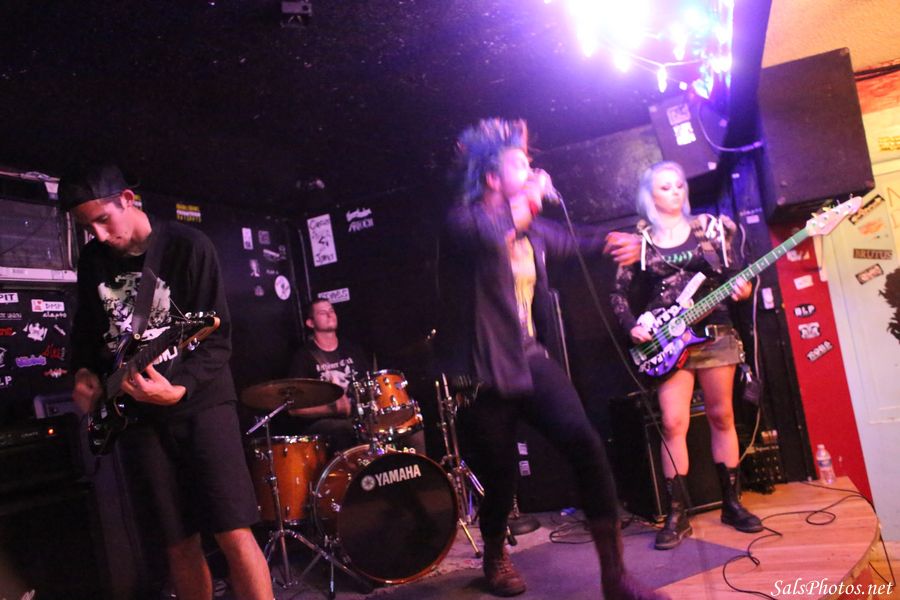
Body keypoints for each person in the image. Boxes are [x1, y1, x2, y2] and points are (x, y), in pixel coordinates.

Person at [441, 118, 665, 599]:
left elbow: (577, 239)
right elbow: (492, 233)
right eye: (520, 164)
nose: (533, 171)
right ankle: (495, 553)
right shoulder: (463, 222)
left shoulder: (533, 231)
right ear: (492, 178)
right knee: (500, 476)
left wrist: (620, 241)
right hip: (483, 371)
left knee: (587, 446)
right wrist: (528, 199)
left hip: (527, 357)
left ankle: (616, 577)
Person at [62, 164, 273, 600]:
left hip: (202, 407)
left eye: (103, 220)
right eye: (87, 227)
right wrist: (83, 372)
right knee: (177, 542)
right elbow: (86, 331)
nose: (98, 235)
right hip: (137, 417)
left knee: (233, 532)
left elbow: (218, 340)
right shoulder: (93, 260)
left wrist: (178, 389)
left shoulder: (187, 246)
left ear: (127, 199)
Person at [610, 160, 763, 551]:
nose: (675, 192)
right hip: (668, 339)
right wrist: (632, 326)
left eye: (679, 185)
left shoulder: (709, 228)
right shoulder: (640, 240)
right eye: (665, 187)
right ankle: (677, 514)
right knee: (673, 421)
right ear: (650, 194)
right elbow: (617, 293)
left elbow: (736, 274)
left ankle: (732, 503)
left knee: (722, 415)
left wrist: (743, 289)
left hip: (714, 330)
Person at [282, 297, 426, 454]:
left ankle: (416, 469)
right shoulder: (304, 357)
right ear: (310, 323)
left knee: (411, 426)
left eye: (331, 310)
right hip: (329, 423)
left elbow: (370, 385)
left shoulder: (352, 350)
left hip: (361, 416)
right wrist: (331, 409)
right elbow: (294, 409)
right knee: (347, 430)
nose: (330, 315)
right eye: (323, 312)